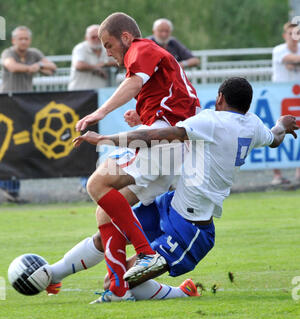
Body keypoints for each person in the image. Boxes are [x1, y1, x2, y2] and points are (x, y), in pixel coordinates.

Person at [72, 77, 298, 301]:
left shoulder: (211, 121)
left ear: (219, 98)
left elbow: (155, 136)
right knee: (112, 232)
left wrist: (104, 138)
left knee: (117, 281)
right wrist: (282, 125)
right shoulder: (254, 125)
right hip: (169, 207)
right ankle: (54, 273)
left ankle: (183, 292)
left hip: (190, 231)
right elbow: (275, 137)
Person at [46, 12, 200, 302]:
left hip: (162, 143)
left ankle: (145, 253)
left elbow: (133, 84)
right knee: (105, 212)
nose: (107, 52)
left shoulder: (141, 48)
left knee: (96, 184)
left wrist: (99, 113)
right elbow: (172, 100)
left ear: (126, 38)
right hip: (170, 146)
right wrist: (140, 115)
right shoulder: (154, 59)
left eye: (108, 45)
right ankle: (117, 289)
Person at [0, 26, 56, 202]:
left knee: (21, 147)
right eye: (20, 39)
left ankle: (12, 190)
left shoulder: (34, 54)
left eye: (26, 38)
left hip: (24, 107)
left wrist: (38, 65)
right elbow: (11, 66)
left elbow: (51, 68)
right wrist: (30, 68)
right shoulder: (8, 52)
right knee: (6, 147)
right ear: (13, 40)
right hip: (7, 107)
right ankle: (6, 186)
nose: (23, 41)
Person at [67, 24, 117, 193]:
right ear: (86, 38)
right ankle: (84, 181)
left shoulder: (106, 49)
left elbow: (119, 62)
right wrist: (100, 67)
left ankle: (101, 179)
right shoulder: (80, 49)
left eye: (98, 36)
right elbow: (79, 64)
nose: (96, 40)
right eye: (93, 37)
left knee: (100, 141)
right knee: (83, 141)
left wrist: (106, 64)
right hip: (81, 102)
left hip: (101, 104)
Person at [271, 21, 300, 185]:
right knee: (277, 133)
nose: (294, 36)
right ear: (285, 35)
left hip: (296, 100)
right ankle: (277, 174)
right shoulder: (279, 50)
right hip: (280, 100)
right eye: (291, 33)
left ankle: (298, 173)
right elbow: (289, 60)